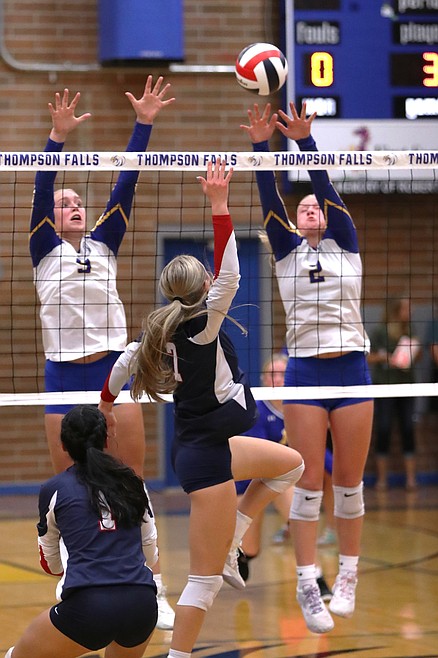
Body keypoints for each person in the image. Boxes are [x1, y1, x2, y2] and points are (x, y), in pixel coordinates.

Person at [98, 159, 305, 658]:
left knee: (290, 464)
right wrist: (219, 204)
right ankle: (179, 655)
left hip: (206, 445)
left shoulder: (156, 335)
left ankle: (236, 536)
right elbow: (231, 272)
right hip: (207, 459)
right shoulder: (204, 327)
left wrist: (106, 403)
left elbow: (119, 369)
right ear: (205, 287)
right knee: (203, 583)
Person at [29, 77, 176, 630]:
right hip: (61, 377)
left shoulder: (104, 244)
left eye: (76, 203)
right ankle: (75, 575)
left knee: (131, 479)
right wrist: (57, 137)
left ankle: (153, 582)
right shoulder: (43, 250)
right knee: (72, 483)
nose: (70, 206)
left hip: (113, 374)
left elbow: (126, 186)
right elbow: (41, 186)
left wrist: (144, 124)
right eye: (62, 203)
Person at [241, 102, 374, 634]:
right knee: (307, 484)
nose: (313, 208)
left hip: (352, 371)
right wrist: (261, 146)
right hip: (305, 375)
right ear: (295, 222)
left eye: (319, 206)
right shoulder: (285, 251)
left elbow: (326, 187)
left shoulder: (347, 244)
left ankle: (349, 576)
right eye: (305, 208)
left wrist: (305, 142)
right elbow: (269, 196)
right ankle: (306, 581)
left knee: (350, 484)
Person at [5, 405, 158, 658]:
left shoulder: (55, 488)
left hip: (89, 608)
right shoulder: (133, 482)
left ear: (63, 446)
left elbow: (51, 563)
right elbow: (150, 552)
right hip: (142, 604)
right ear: (106, 440)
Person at [235, 353, 333, 601]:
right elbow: (259, 456)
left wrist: (338, 471)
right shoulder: (256, 406)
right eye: (272, 374)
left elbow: (317, 450)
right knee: (249, 548)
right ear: (264, 379)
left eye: (282, 374)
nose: (277, 379)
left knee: (298, 515)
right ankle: (243, 556)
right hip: (247, 483)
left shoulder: (301, 407)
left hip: (280, 479)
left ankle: (316, 577)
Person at [368, 296, 421, 491]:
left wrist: (414, 353)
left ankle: (411, 479)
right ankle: (382, 479)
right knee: (383, 429)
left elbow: (417, 357)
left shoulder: (410, 329)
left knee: (408, 428)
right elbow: (368, 357)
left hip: (406, 387)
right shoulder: (380, 331)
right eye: (407, 308)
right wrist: (385, 357)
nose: (410, 312)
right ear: (396, 309)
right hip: (384, 387)